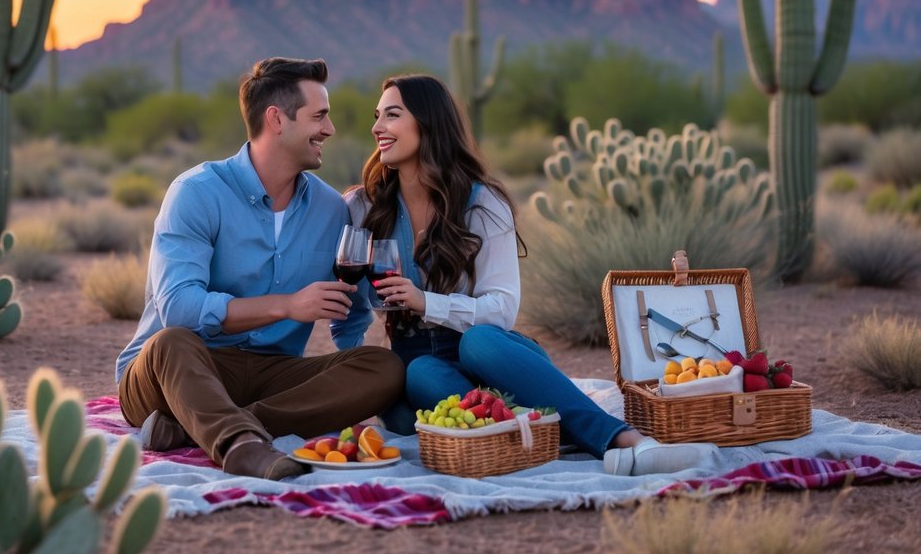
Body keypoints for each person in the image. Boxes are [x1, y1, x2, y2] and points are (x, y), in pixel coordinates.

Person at [345, 74, 712, 475]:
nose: (377, 127)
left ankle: (629, 442)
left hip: (496, 357)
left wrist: (423, 301)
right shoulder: (364, 207)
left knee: (479, 341)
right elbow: (348, 305)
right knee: (415, 380)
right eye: (377, 116)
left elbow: (501, 310)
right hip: (421, 369)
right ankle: (538, 428)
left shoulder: (482, 204)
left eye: (392, 115)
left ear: (428, 123)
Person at [115, 57, 405, 481]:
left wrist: (346, 375)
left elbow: (352, 310)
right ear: (276, 119)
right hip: (179, 372)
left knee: (384, 368)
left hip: (272, 374)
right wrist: (286, 306)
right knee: (169, 341)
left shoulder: (330, 210)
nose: (330, 130)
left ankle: (203, 425)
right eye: (319, 116)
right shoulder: (196, 193)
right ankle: (243, 447)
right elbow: (178, 307)